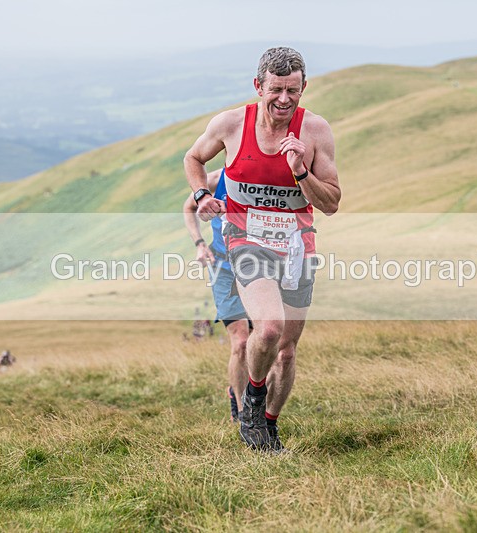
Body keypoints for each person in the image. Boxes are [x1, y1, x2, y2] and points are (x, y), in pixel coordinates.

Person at [184, 47, 341, 452]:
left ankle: (268, 424)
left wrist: (300, 171)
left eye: (293, 90)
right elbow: (193, 157)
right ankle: (252, 405)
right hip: (245, 238)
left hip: (296, 245)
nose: (284, 99)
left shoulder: (316, 132)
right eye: (276, 90)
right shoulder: (231, 124)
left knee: (286, 351)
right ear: (259, 87)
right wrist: (202, 194)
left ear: (303, 87)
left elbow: (331, 203)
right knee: (267, 327)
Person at [183, 168, 252, 423]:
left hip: (259, 269)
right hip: (223, 268)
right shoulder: (214, 179)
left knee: (261, 342)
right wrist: (199, 243)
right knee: (241, 341)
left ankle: (252, 397)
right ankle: (243, 411)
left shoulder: (263, 177)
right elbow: (187, 207)